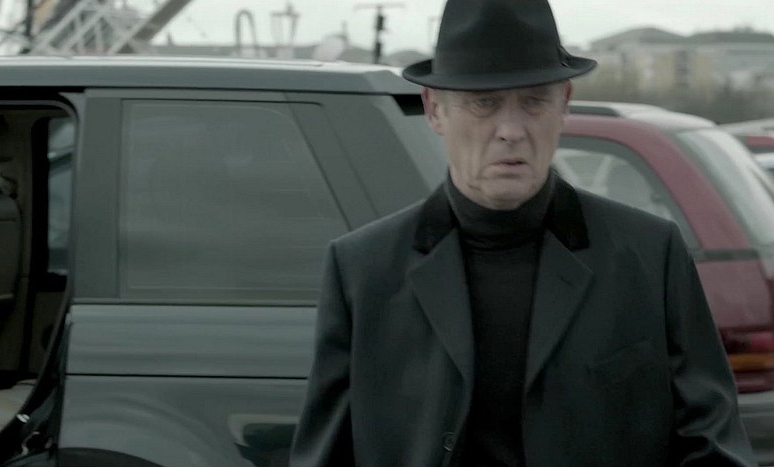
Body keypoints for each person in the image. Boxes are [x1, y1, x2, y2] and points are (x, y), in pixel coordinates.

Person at [290, 0, 756, 465]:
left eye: (533, 101)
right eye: (484, 103)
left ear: (564, 104)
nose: (511, 130)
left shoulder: (650, 256)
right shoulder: (364, 271)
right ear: (435, 110)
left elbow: (714, 444)